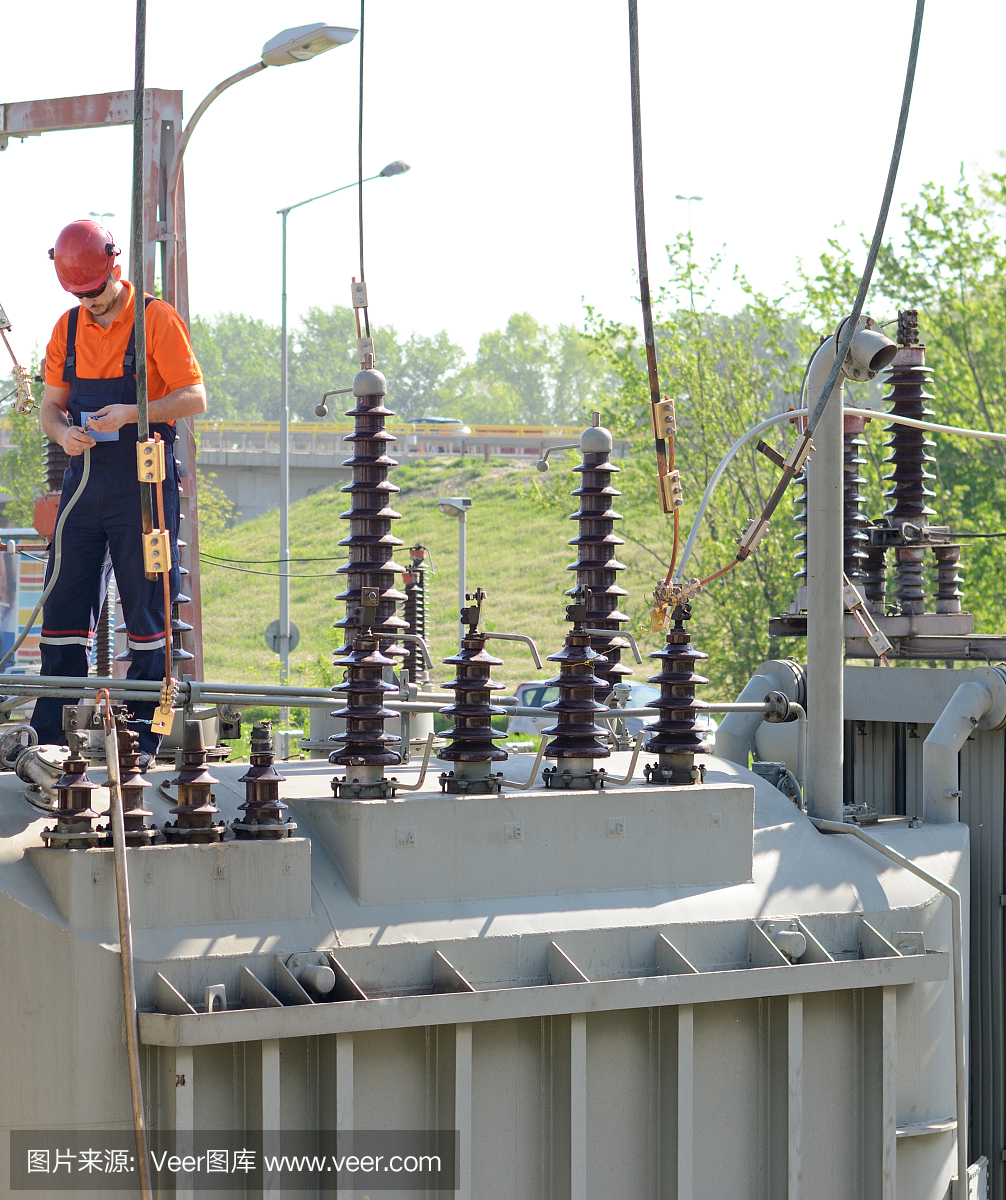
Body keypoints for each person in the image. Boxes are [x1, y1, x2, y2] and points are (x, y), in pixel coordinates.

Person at [30, 219, 206, 764]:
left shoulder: (156, 319)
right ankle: (52, 734)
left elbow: (195, 396)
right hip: (83, 484)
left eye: (99, 295)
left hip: (144, 487)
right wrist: (63, 433)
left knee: (148, 609)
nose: (94, 306)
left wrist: (135, 411)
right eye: (82, 297)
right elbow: (49, 407)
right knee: (63, 604)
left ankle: (144, 736)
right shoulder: (67, 328)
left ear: (116, 267)